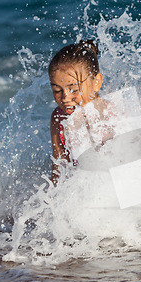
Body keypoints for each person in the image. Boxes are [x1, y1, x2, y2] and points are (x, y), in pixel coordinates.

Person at [48, 40, 114, 184]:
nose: (65, 98)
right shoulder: (59, 117)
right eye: (57, 90)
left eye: (74, 90)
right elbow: (58, 171)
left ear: (96, 83)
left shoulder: (112, 114)